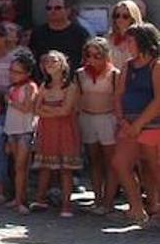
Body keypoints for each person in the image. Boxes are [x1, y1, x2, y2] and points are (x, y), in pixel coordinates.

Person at [113, 23, 160, 226]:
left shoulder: (156, 65)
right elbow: (118, 94)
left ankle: (154, 206)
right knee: (120, 163)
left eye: (130, 41)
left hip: (151, 124)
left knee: (152, 166)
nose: (127, 45)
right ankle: (136, 208)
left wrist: (139, 124)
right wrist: (122, 120)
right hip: (128, 123)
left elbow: (158, 100)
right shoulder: (128, 65)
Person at [30, 50, 81, 217]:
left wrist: (48, 110)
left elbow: (66, 110)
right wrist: (54, 110)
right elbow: (36, 108)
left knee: (66, 169)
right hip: (47, 130)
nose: (50, 65)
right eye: (47, 62)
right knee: (45, 166)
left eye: (54, 61)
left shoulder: (70, 87)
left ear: (62, 65)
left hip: (65, 130)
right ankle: (40, 199)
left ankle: (66, 205)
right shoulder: (44, 86)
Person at [76, 37, 121, 215]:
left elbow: (118, 99)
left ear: (105, 55)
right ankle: (97, 198)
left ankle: (108, 201)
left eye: (97, 56)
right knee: (94, 160)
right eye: (89, 55)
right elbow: (77, 97)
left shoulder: (114, 74)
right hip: (87, 117)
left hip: (108, 118)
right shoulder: (80, 74)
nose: (92, 60)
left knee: (111, 161)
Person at [4, 54, 39, 214]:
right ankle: (18, 197)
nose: (13, 75)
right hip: (12, 130)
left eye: (17, 72)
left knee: (22, 166)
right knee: (17, 166)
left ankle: (21, 200)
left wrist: (10, 101)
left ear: (27, 73)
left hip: (25, 130)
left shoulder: (31, 87)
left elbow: (27, 108)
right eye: (11, 71)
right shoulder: (11, 88)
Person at [28, 0, 89, 70]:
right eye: (49, 8)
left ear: (68, 10)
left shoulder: (80, 33)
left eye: (58, 8)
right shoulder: (38, 33)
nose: (52, 11)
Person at [107, 0, 144, 68]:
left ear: (133, 18)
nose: (120, 19)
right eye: (117, 16)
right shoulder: (109, 38)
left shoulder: (140, 38)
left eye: (125, 16)